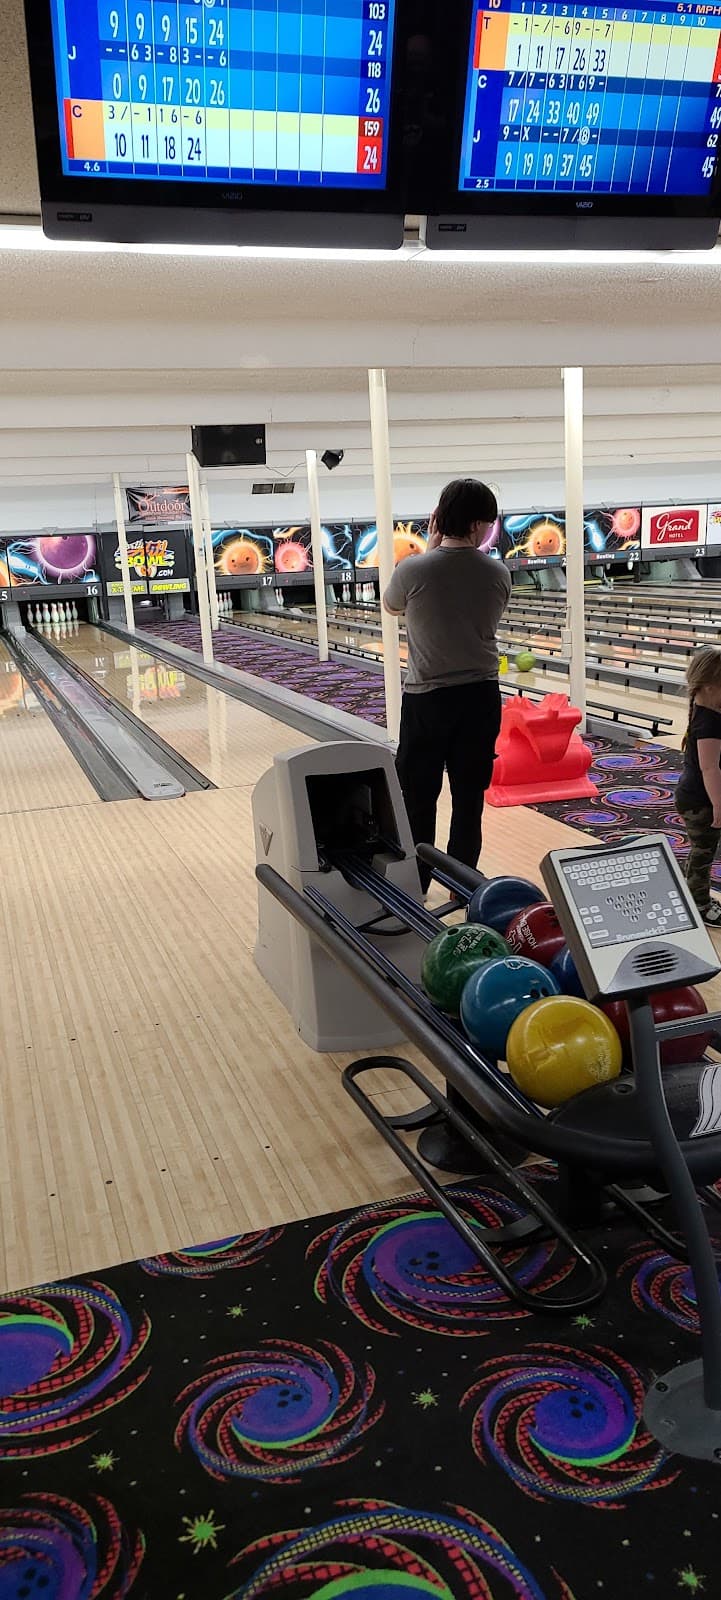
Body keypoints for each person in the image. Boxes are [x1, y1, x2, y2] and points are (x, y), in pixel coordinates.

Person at [383, 477, 511, 891]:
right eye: (489, 523)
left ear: (440, 519)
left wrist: (432, 548)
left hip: (427, 701)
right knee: (468, 800)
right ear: (477, 525)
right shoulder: (498, 573)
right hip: (480, 699)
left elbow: (391, 605)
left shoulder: (413, 568)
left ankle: (415, 885)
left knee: (418, 799)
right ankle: (462, 885)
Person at [676, 644, 721, 928]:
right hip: (700, 800)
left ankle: (691, 892)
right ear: (708, 687)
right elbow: (710, 768)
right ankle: (698, 903)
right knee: (703, 851)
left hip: (701, 796)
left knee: (703, 849)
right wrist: (718, 803)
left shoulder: (705, 711)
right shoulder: (708, 724)